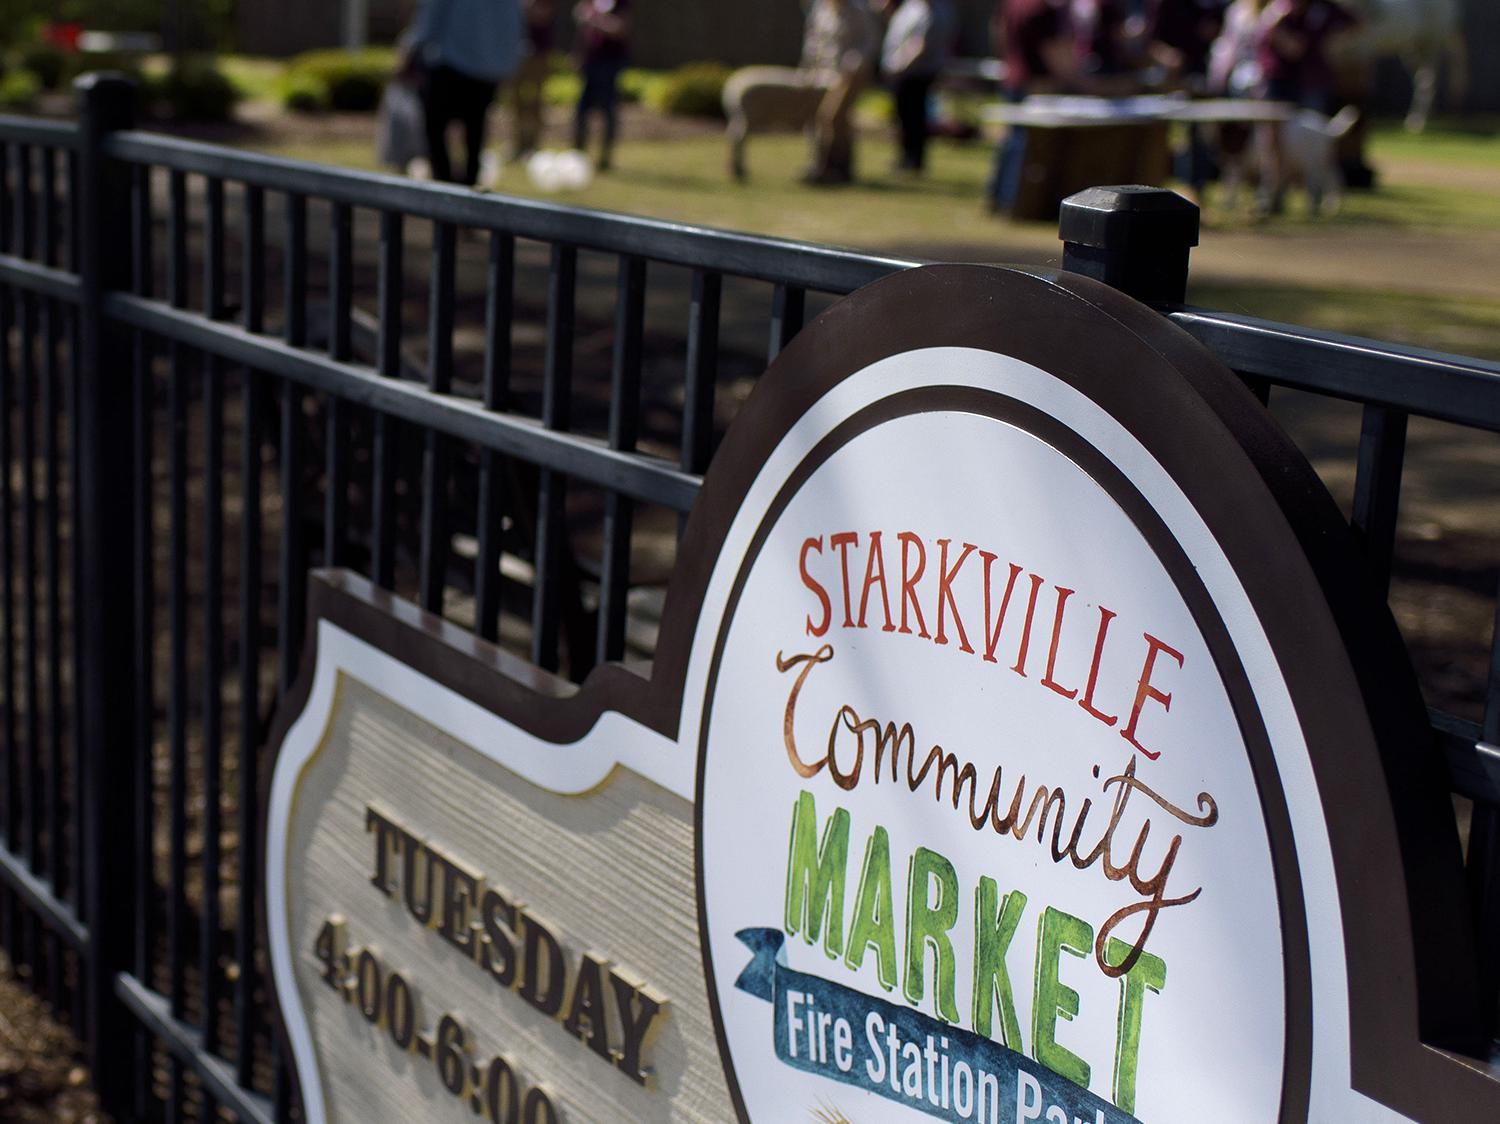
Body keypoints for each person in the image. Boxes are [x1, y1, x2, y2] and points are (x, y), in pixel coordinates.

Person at [1254, 0, 1357, 212]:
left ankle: (1316, 195)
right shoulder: (1280, 8)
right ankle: (1274, 192)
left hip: (1312, 82)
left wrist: (1336, 46)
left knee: (1317, 143)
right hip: (1279, 81)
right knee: (1273, 140)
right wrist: (1283, 38)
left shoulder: (1324, 8)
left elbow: (1355, 23)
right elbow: (1264, 36)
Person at [408, 0, 525, 185]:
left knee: (436, 126)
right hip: (485, 69)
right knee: (475, 129)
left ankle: (445, 182)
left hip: (450, 63)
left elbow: (431, 17)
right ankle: (466, 182)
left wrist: (414, 47)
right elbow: (514, 25)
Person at [800, 0, 881, 185]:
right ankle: (831, 167)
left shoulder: (858, 10)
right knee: (830, 121)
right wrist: (807, 67)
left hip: (850, 74)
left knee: (832, 116)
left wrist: (856, 61)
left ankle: (833, 168)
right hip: (824, 73)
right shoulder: (820, 9)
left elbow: (870, 41)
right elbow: (813, 40)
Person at [880, 0, 957, 174]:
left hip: (916, 71)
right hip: (902, 70)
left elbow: (921, 44)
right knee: (903, 116)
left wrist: (902, 66)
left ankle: (913, 160)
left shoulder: (934, 11)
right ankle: (905, 157)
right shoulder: (912, 6)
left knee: (913, 117)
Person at [573, 0, 631, 171]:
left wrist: (596, 20)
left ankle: (605, 158)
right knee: (582, 110)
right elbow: (583, 25)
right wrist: (578, 53)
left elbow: (621, 29)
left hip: (610, 62)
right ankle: (578, 156)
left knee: (608, 110)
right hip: (591, 61)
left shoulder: (622, 3)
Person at [512, 0, 556, 159]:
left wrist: (525, 10)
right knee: (516, 101)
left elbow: (542, 15)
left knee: (537, 100)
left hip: (539, 53)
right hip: (517, 54)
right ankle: (517, 144)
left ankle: (533, 145)